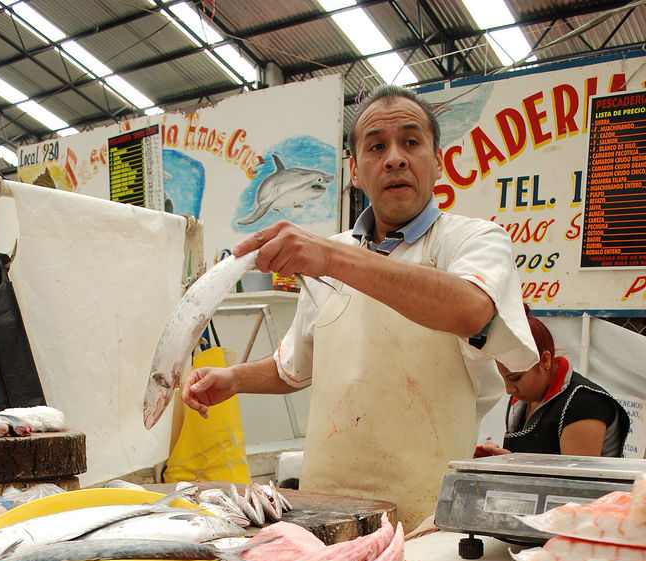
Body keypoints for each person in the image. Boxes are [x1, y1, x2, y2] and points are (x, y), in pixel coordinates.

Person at [181, 84, 538, 529]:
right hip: (326, 513)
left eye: (411, 142)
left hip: (429, 516)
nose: (394, 159)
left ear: (438, 161)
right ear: (355, 170)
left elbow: (472, 310)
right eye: (376, 147)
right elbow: (294, 367)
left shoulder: (473, 240)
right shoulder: (329, 253)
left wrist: (332, 259)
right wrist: (233, 378)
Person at [478, 311, 630, 457]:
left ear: (545, 360)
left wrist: (511, 462)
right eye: (503, 378)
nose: (509, 390)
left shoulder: (584, 403)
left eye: (515, 378)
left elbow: (575, 473)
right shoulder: (522, 401)